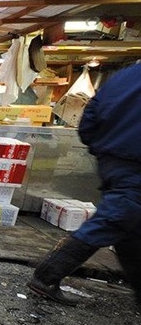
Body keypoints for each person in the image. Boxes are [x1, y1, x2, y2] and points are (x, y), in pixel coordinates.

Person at [27, 63, 141, 309]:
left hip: (112, 161)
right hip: (135, 165)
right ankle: (47, 275)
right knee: (117, 217)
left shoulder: (124, 76)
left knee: (130, 228)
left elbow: (88, 120)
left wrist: (101, 149)